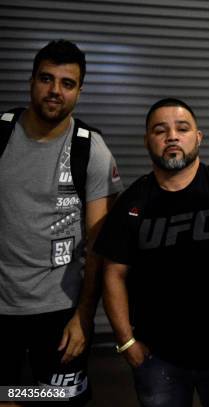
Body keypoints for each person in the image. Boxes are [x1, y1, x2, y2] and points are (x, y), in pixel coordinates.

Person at [95, 98, 209, 407]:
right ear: (147, 141)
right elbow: (113, 273)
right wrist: (125, 340)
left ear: (198, 137)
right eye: (160, 130)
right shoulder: (132, 203)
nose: (172, 136)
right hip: (158, 360)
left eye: (182, 128)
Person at [0, 39, 123, 404]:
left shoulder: (91, 150)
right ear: (31, 81)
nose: (55, 91)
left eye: (67, 83)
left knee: (56, 400)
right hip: (2, 307)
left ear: (79, 91)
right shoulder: (1, 134)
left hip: (60, 312)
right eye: (46, 79)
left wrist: (85, 317)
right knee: (6, 397)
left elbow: (99, 245)